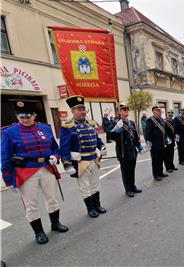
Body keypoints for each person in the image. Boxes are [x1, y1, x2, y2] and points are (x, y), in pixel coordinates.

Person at [1, 99, 68, 245]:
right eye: (21, 117)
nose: (25, 119)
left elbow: (55, 148)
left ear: (35, 115)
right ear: (17, 116)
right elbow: (5, 157)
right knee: (31, 205)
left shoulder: (45, 128)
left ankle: (55, 224)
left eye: (28, 116)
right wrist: (8, 179)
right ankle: (39, 232)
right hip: (25, 172)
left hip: (46, 168)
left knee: (52, 199)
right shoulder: (8, 132)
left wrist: (55, 157)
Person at [60, 95, 107, 218]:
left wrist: (102, 147)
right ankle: (90, 208)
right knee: (85, 187)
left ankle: (97, 205)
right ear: (73, 111)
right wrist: (67, 164)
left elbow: (96, 138)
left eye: (83, 109)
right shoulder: (68, 126)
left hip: (94, 159)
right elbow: (64, 147)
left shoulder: (90, 123)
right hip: (81, 161)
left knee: (95, 184)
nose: (82, 112)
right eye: (79, 110)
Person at [109, 104, 143, 197]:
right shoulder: (115, 122)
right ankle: (128, 189)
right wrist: (116, 129)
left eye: (127, 109)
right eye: (123, 109)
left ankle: (133, 186)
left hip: (132, 150)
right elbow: (111, 137)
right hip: (123, 151)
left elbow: (135, 135)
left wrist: (139, 146)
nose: (126, 110)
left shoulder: (131, 122)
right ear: (119, 112)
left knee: (132, 170)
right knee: (125, 171)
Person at [145, 105, 168, 181]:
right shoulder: (150, 120)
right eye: (158, 110)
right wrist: (149, 142)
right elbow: (147, 132)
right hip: (154, 144)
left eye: (160, 110)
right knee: (155, 160)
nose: (159, 112)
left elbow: (163, 131)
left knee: (161, 159)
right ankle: (156, 175)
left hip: (162, 143)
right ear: (154, 111)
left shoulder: (161, 119)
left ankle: (161, 172)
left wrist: (165, 139)